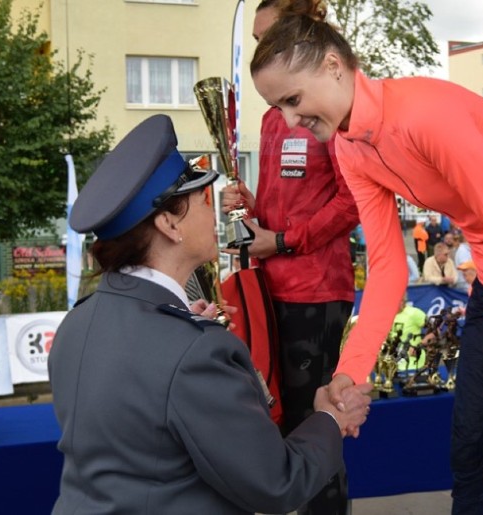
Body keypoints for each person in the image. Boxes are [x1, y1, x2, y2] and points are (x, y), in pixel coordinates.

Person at [251, 15, 483, 514]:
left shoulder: (423, 114)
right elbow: (387, 267)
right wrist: (350, 373)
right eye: (278, 107)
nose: (290, 122)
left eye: (293, 100)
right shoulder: (350, 147)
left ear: (333, 66)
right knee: (467, 453)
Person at [48, 114, 371, 515]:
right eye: (201, 197)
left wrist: (185, 326)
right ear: (169, 224)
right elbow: (277, 483)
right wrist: (329, 420)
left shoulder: (77, 323)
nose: (212, 209)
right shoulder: (195, 351)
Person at [221, 2, 361, 513]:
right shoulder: (271, 117)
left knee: (315, 423)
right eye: (255, 39)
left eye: (269, 35)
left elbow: (352, 201)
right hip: (269, 288)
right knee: (276, 417)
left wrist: (282, 242)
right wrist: (252, 208)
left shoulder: (332, 105)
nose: (261, 47)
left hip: (317, 290)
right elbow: (284, 206)